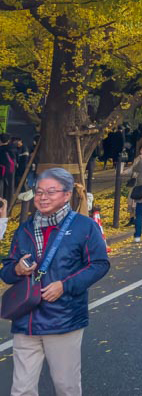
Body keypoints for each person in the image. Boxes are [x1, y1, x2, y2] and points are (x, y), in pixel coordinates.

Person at [1, 168, 109, 396]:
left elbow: (100, 264)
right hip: (25, 317)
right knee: (21, 389)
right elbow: (7, 271)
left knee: (66, 386)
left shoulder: (84, 226)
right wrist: (17, 269)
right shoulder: (24, 229)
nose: (42, 197)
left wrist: (65, 285)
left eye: (51, 192)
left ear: (67, 194)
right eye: (39, 192)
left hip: (62, 319)